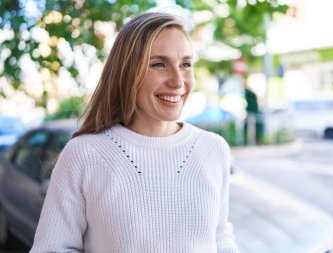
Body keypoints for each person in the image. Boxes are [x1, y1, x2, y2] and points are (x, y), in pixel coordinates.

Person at [30, 12, 239, 253]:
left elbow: (220, 236)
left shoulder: (214, 149)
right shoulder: (84, 154)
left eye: (185, 64)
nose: (178, 81)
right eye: (159, 64)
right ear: (128, 72)